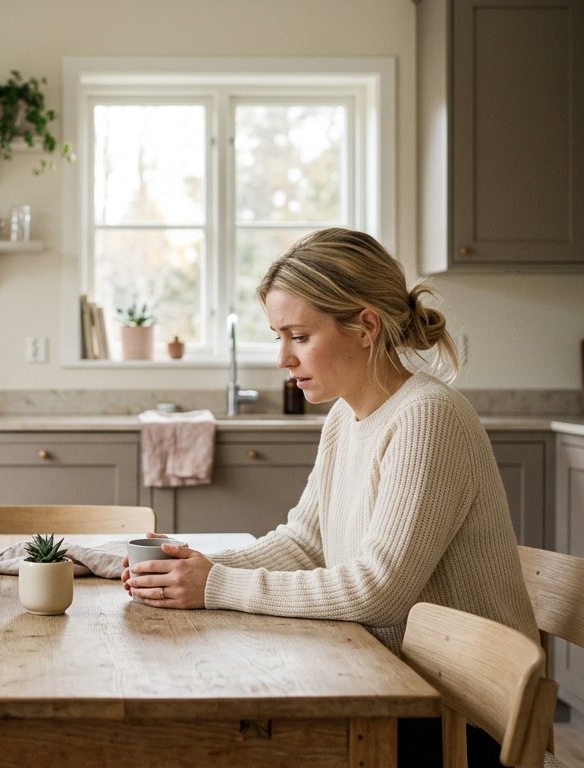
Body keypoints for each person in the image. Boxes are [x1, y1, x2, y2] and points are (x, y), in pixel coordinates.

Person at [121, 227, 537, 767]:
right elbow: (305, 542)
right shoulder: (346, 415)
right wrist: (187, 567)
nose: (282, 359)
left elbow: (378, 591)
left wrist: (216, 584)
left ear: (365, 326)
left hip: (462, 724)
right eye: (278, 337)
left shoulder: (428, 418)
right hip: (394, 686)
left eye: (298, 336)